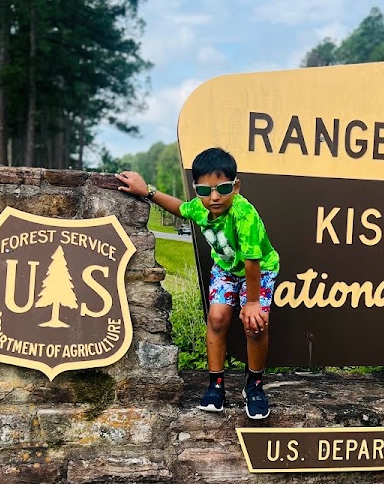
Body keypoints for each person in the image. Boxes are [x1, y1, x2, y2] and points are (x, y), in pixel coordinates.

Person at [116, 148, 279, 420]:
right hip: (226, 268)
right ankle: (216, 384)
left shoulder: (244, 214)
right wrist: (148, 192)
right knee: (216, 318)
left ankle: (254, 385)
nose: (214, 197)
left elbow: (253, 260)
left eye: (222, 188)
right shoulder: (201, 208)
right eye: (204, 191)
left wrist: (252, 303)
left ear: (236, 186)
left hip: (259, 270)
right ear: (197, 190)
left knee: (255, 325)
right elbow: (180, 208)